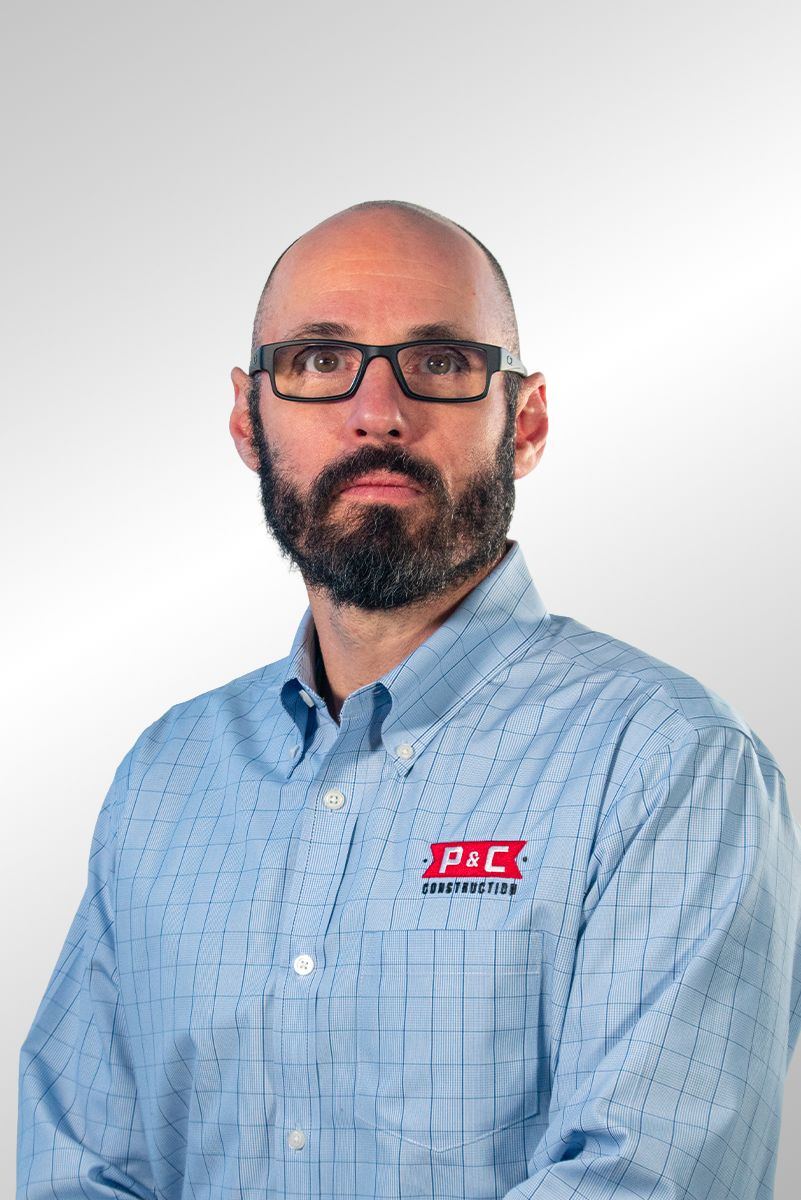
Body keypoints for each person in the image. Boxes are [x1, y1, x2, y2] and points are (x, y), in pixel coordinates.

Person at [18, 201, 801, 1200]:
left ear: (526, 422)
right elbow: (78, 1169)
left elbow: (641, 1181)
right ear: (245, 421)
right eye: (316, 361)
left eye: (437, 362)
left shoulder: (668, 765)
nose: (377, 411)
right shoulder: (166, 776)